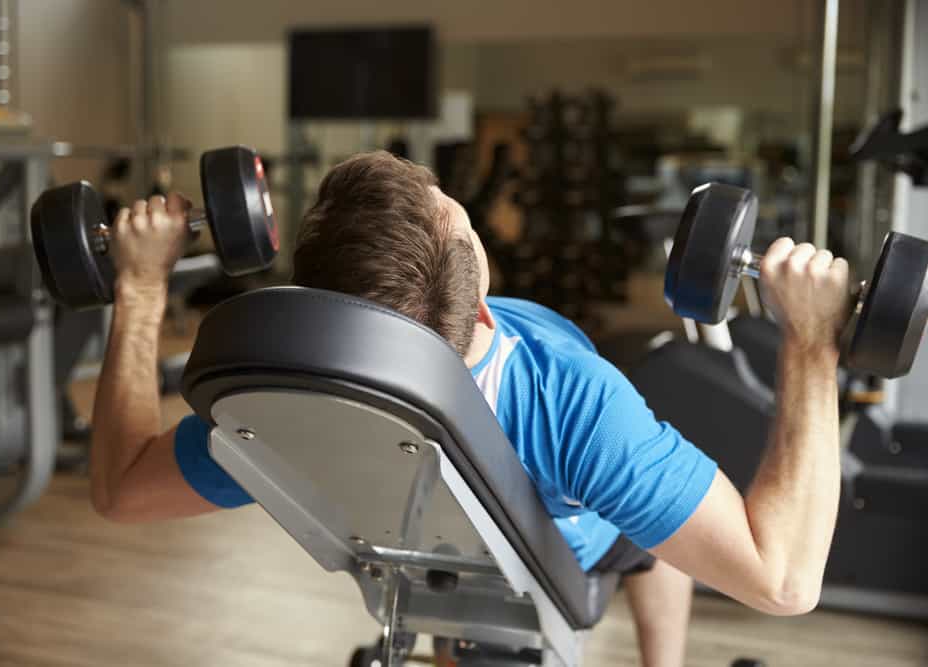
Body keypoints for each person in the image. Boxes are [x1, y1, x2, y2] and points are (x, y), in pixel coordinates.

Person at [89, 152, 850, 667]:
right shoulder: (572, 401)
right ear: (482, 306)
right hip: (565, 547)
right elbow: (784, 581)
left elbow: (120, 490)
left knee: (641, 493)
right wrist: (813, 339)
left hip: (413, 544)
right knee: (649, 527)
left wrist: (140, 285)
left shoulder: (282, 396)